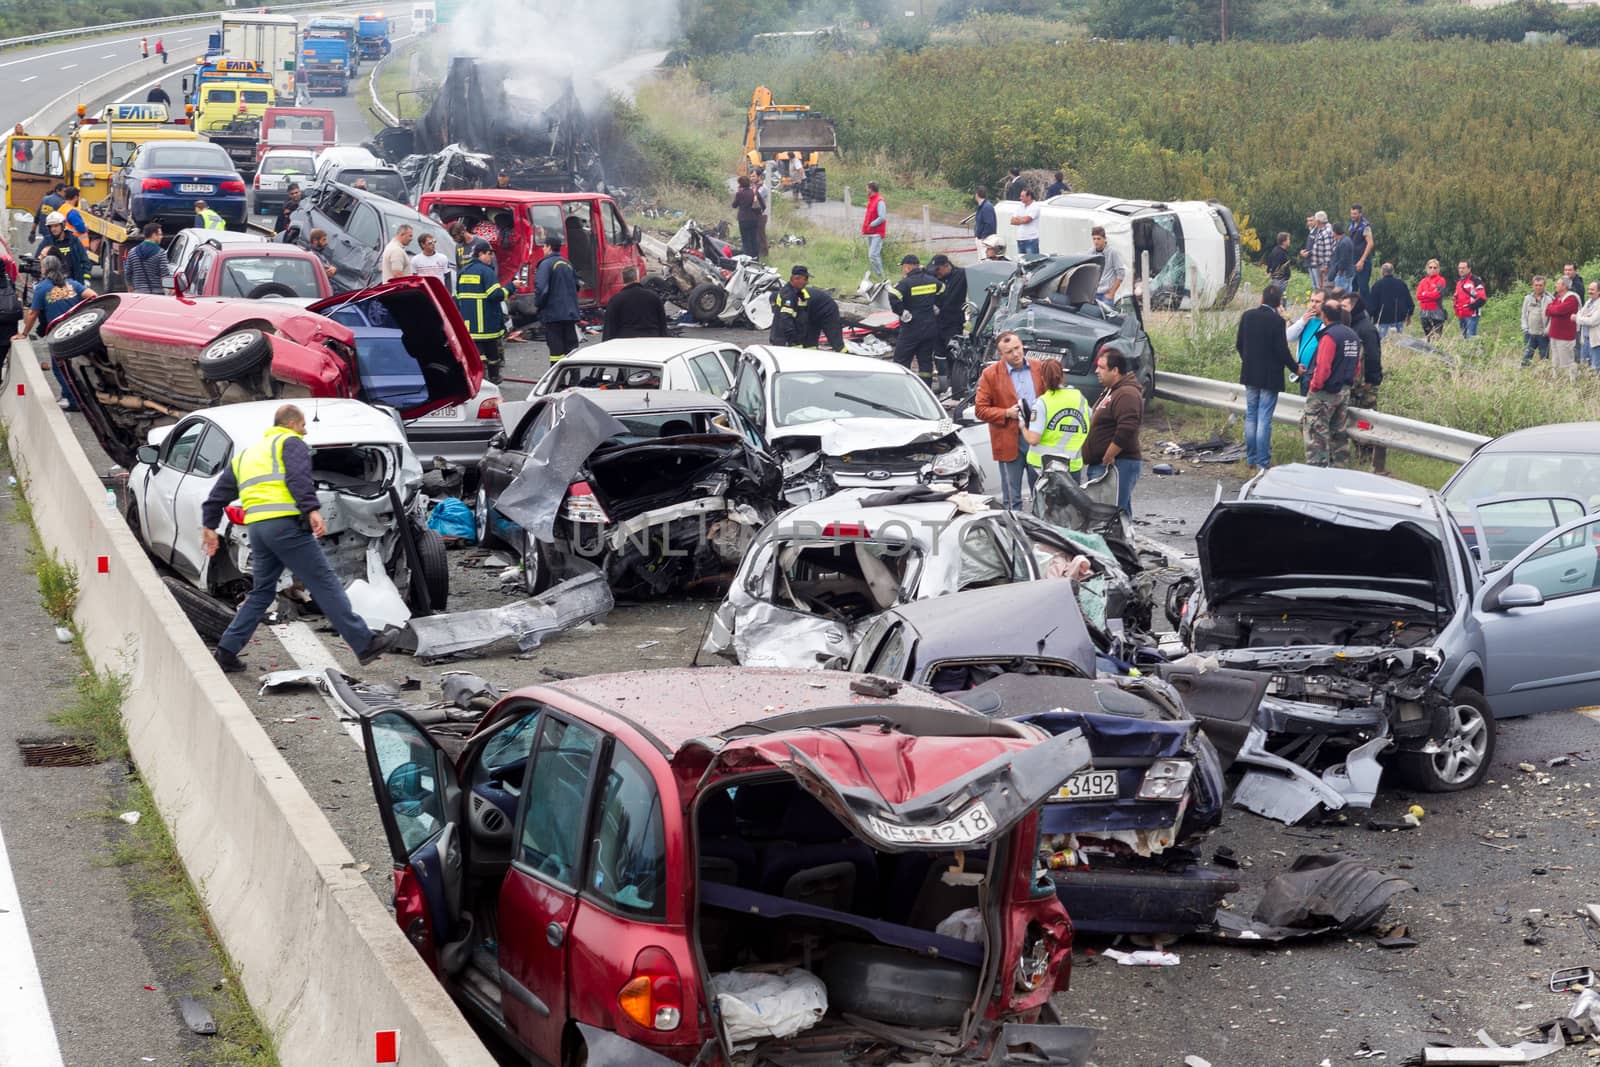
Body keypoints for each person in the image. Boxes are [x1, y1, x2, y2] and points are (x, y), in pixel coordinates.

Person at [201, 405, 401, 673]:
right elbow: (298, 477)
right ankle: (365, 643)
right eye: (303, 425)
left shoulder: (246, 456)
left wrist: (209, 526)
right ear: (292, 423)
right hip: (286, 526)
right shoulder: (290, 442)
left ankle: (227, 651)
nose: (305, 431)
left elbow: (216, 497)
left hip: (259, 530)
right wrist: (311, 509)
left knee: (261, 593)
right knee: (324, 583)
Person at [15, 257, 96, 410]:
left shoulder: (42, 288)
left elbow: (32, 314)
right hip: (76, 331)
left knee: (59, 368)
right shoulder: (72, 284)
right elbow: (93, 296)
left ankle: (73, 401)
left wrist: (24, 333)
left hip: (58, 334)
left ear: (44, 269)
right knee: (74, 368)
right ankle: (74, 396)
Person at [975, 331, 1044, 510]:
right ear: (1001, 355)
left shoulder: (1039, 368)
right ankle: (1014, 536)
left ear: (1022, 346)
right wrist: (1006, 413)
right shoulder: (991, 374)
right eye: (1009, 352)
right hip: (1008, 439)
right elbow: (980, 410)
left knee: (1042, 493)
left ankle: (1043, 535)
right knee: (1012, 499)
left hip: (1038, 437)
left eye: (1017, 348)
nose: (1015, 354)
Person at [1235, 285, 1300, 472]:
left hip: (1250, 372)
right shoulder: (1277, 321)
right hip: (1270, 376)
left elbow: (1239, 343)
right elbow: (1282, 351)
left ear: (1261, 299)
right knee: (1264, 418)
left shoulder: (1247, 316)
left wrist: (1247, 360)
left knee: (1251, 415)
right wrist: (1296, 368)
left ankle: (1251, 457)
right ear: (1279, 303)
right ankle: (1262, 462)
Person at [1081, 347, 1144, 517]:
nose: (1096, 371)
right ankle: (1122, 541)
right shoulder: (1112, 390)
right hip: (1105, 464)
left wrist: (1108, 456)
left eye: (1101, 367)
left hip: (1118, 464)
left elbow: (1127, 428)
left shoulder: (1126, 393)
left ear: (1115, 370)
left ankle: (1117, 543)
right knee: (1114, 513)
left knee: (1111, 515)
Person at [1303, 295, 1360, 468]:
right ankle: (1339, 472)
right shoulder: (1352, 335)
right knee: (1338, 435)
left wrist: (1315, 386)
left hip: (1325, 393)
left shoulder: (1329, 336)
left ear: (1324, 316)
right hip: (1344, 391)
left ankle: (1316, 473)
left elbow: (1323, 367)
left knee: (1316, 435)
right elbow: (1356, 367)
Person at [1022, 356, 1090, 482]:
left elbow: (1033, 439)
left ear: (1042, 378)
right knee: (1070, 502)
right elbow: (1090, 420)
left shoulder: (1042, 403)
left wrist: (1022, 426)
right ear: (1062, 375)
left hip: (1042, 468)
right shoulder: (1079, 397)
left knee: (1043, 502)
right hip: (1072, 466)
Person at [457, 240, 510, 383]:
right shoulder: (487, 272)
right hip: (487, 323)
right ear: (480, 254)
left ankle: (478, 379)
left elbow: (458, 297)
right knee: (492, 354)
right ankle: (493, 377)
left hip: (470, 324)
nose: (491, 257)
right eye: (489, 254)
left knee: (476, 353)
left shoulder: (463, 271)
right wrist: (511, 288)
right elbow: (496, 295)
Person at [888, 253, 942, 385]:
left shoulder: (905, 283)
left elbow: (893, 295)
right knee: (925, 362)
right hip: (929, 327)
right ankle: (926, 389)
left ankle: (900, 386)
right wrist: (935, 304)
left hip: (911, 329)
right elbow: (943, 289)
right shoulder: (931, 280)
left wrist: (902, 312)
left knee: (901, 360)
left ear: (907, 267)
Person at [532, 234, 580, 364]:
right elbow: (577, 286)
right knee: (571, 349)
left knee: (556, 351)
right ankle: (574, 378)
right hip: (570, 314)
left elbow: (541, 289)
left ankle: (558, 380)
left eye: (544, 246)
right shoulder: (567, 263)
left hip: (553, 315)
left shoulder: (545, 264)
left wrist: (538, 305)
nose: (543, 249)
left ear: (548, 247)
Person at [602, 266, 668, 341]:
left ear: (623, 280)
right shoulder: (653, 297)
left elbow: (609, 328)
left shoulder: (616, 300)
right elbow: (662, 323)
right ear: (637, 278)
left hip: (626, 341)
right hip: (652, 338)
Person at [931, 253, 967, 387]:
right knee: (938, 353)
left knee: (953, 352)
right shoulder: (934, 277)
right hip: (936, 322)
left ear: (947, 266)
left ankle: (956, 383)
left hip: (953, 322)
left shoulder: (961, 275)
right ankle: (943, 384)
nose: (936, 273)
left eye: (938, 270)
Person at [1346, 291, 1383, 414]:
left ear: (1354, 307)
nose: (1341, 310)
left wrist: (1370, 381)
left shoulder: (1366, 329)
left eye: (1344, 307)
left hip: (1365, 384)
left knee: (1364, 419)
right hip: (1353, 383)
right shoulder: (1350, 324)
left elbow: (1373, 357)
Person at [1286, 287, 1326, 396]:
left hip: (1316, 374)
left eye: (1317, 302)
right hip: (1303, 372)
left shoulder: (1326, 323)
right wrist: (1302, 321)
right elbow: (1288, 337)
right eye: (1312, 301)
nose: (1313, 304)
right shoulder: (1306, 320)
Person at [36, 212, 90, 286]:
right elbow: (37, 261)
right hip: (53, 284)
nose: (53, 229)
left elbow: (85, 261)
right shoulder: (47, 242)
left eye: (56, 226)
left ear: (63, 225)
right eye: (50, 226)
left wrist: (85, 278)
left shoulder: (73, 241)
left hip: (74, 283)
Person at [124, 223, 172, 294]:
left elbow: (128, 273)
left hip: (139, 294)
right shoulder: (160, 253)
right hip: (156, 295)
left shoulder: (132, 252)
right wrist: (172, 288)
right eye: (160, 234)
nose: (161, 237)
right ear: (154, 235)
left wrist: (130, 287)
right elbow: (165, 274)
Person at [769, 267, 811, 347]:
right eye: (805, 279)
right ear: (796, 279)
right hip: (785, 342)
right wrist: (794, 341)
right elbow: (786, 320)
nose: (807, 282)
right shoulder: (788, 295)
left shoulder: (798, 293)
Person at [1368, 263, 1413, 337]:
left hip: (1382, 320)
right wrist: (1409, 315)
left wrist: (1369, 316)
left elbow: (1372, 304)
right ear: (1393, 271)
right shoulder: (1401, 284)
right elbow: (1409, 301)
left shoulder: (1377, 285)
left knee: (1383, 343)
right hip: (1398, 319)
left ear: (1382, 272)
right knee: (1397, 343)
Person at [1547, 275, 1579, 371]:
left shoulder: (1571, 298)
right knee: (1555, 361)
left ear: (1564, 286)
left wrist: (1553, 308)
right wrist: (1553, 308)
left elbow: (1558, 310)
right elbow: (1547, 311)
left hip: (1565, 337)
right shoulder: (1558, 297)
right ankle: (1557, 381)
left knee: (1566, 362)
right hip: (1554, 334)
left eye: (1558, 283)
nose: (1555, 285)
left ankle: (1571, 382)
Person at [1519, 275, 1552, 366]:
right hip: (1530, 333)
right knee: (1526, 357)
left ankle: (1544, 374)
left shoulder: (1549, 299)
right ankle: (1524, 374)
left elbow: (1552, 318)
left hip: (1543, 334)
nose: (1538, 287)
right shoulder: (1527, 298)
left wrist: (1547, 330)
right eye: (1536, 285)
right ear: (1532, 286)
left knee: (1544, 357)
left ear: (1544, 286)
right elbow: (1524, 314)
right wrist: (1525, 328)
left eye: (1540, 285)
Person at [1091, 225, 1126, 305]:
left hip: (1106, 295)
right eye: (1094, 239)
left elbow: (1121, 273)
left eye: (1099, 239)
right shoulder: (1090, 252)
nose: (1096, 241)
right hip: (1093, 294)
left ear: (1104, 238)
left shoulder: (1112, 252)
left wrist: (1112, 293)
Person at [1299, 211, 1334, 290]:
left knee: (1320, 286)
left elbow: (1327, 250)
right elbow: (1314, 246)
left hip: (1318, 262)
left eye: (1311, 220)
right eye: (1308, 221)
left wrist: (1309, 253)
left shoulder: (1322, 230)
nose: (1309, 222)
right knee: (1314, 285)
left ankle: (1321, 300)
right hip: (1310, 261)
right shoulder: (1311, 230)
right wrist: (1304, 251)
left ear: (1316, 220)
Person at [1415, 259, 1449, 339]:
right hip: (1424, 312)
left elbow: (1437, 295)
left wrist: (1425, 294)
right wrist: (1430, 294)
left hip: (1436, 312)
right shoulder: (1423, 281)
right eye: (1430, 267)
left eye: (1435, 267)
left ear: (1438, 269)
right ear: (1426, 269)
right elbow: (1418, 296)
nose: (1432, 269)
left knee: (1437, 337)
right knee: (1428, 337)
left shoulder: (1441, 280)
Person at [1453, 261, 1487, 338]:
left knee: (1470, 338)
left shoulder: (1475, 280)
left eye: (1463, 268)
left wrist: (1469, 307)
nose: (1461, 270)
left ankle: (1477, 349)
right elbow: (1456, 297)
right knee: (1464, 338)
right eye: (1459, 268)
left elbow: (1482, 298)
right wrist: (1456, 308)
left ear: (1469, 269)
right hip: (1461, 314)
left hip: (1472, 315)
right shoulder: (1459, 282)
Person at [861, 180, 887, 279]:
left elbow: (882, 217)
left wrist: (871, 224)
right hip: (870, 233)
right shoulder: (871, 200)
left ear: (870, 189)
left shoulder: (880, 201)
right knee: (872, 256)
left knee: (873, 255)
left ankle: (881, 277)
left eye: (867, 188)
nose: (866, 190)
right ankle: (878, 276)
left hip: (877, 233)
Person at [1348, 204, 1374, 301]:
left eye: (1355, 214)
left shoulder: (1365, 226)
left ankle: (1368, 311)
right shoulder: (1351, 224)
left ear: (1360, 214)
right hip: (1352, 259)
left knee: (1363, 288)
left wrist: (1362, 260)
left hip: (1362, 261)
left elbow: (1370, 243)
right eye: (1351, 213)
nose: (1352, 216)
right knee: (1352, 287)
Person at [731, 175, 761, 259]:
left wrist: (738, 192)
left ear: (740, 184)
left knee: (745, 240)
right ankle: (756, 257)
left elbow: (734, 205)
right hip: (753, 218)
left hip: (743, 219)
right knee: (754, 239)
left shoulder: (739, 194)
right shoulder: (753, 192)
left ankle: (748, 257)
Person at [1009, 189, 1042, 257]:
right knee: (1021, 261)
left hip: (1031, 239)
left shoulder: (1035, 206)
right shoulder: (1020, 206)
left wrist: (1018, 218)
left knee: (1032, 261)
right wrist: (1022, 219)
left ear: (1029, 197)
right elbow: (1012, 221)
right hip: (1020, 239)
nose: (1020, 198)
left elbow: (1027, 220)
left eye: (1022, 196)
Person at [1577, 281, 1600, 370]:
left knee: (1596, 368)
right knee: (1584, 366)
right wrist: (1583, 318)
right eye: (1589, 289)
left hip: (1596, 342)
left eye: (1592, 289)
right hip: (1585, 340)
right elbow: (1579, 313)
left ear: (1599, 292)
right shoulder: (1588, 302)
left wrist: (1580, 318)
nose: (1590, 291)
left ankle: (1595, 384)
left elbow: (1592, 321)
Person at [1328, 222, 1355, 292]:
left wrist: (1340, 270)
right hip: (1348, 272)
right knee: (1348, 293)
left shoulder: (1344, 243)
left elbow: (1343, 259)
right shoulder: (1346, 240)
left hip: (1344, 274)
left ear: (1335, 231)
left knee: (1341, 294)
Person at [973, 186, 996, 255]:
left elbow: (989, 224)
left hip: (985, 240)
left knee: (985, 259)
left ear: (977, 195)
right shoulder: (982, 206)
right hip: (981, 237)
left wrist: (983, 237)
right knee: (981, 259)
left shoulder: (986, 207)